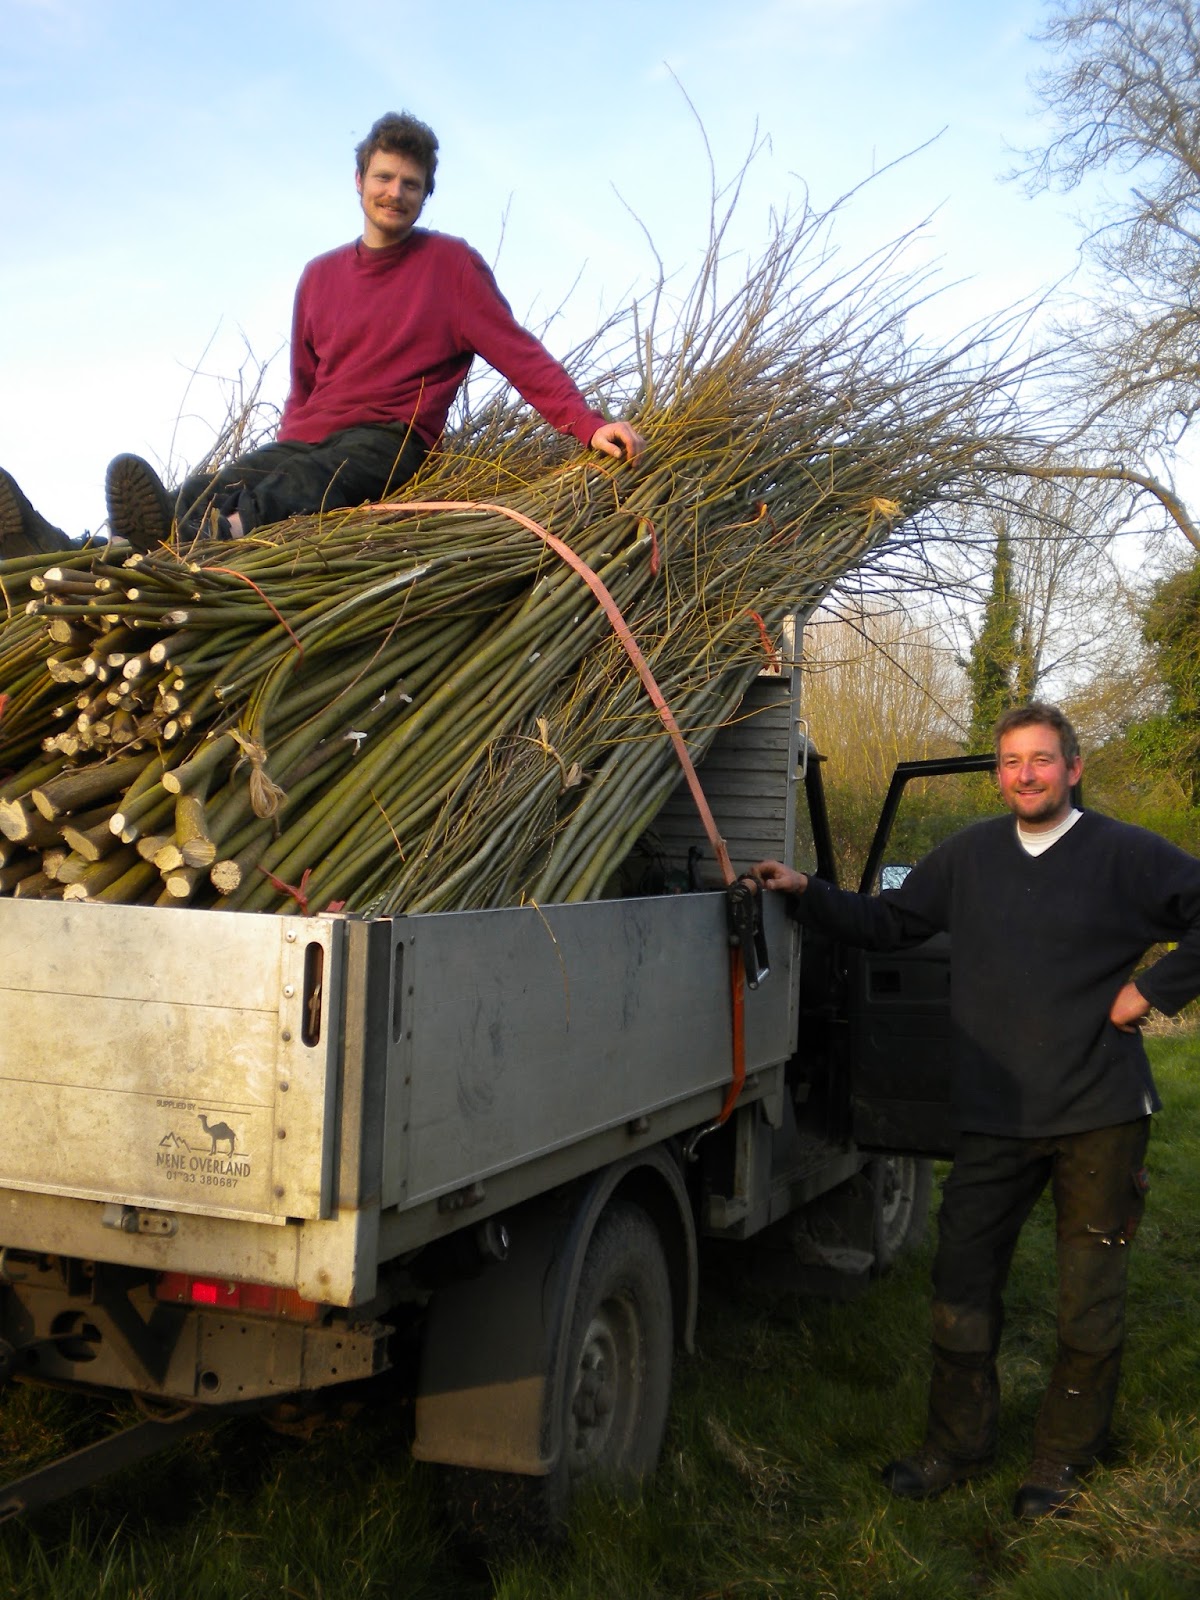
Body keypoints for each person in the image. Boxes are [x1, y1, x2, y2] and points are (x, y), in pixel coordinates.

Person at [754, 702, 1200, 1520]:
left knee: (1087, 1296)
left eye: (1042, 759)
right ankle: (957, 1445)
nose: (1026, 775)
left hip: (1098, 1110)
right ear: (998, 775)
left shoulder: (1126, 855)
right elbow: (890, 922)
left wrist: (1150, 990)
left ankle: (1062, 1460)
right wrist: (806, 891)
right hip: (995, 1115)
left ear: (1073, 769)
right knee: (960, 1281)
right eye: (1011, 762)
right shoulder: (968, 856)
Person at [0, 110, 642, 558]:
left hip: (390, 440)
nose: (395, 193)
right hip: (310, 437)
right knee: (210, 485)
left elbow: (520, 355)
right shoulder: (319, 276)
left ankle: (196, 546)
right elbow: (304, 387)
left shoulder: (451, 267)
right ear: (359, 180)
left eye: (411, 184)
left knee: (298, 487)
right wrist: (286, 442)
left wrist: (587, 425)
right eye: (384, 178)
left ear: (426, 196)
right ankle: (81, 548)